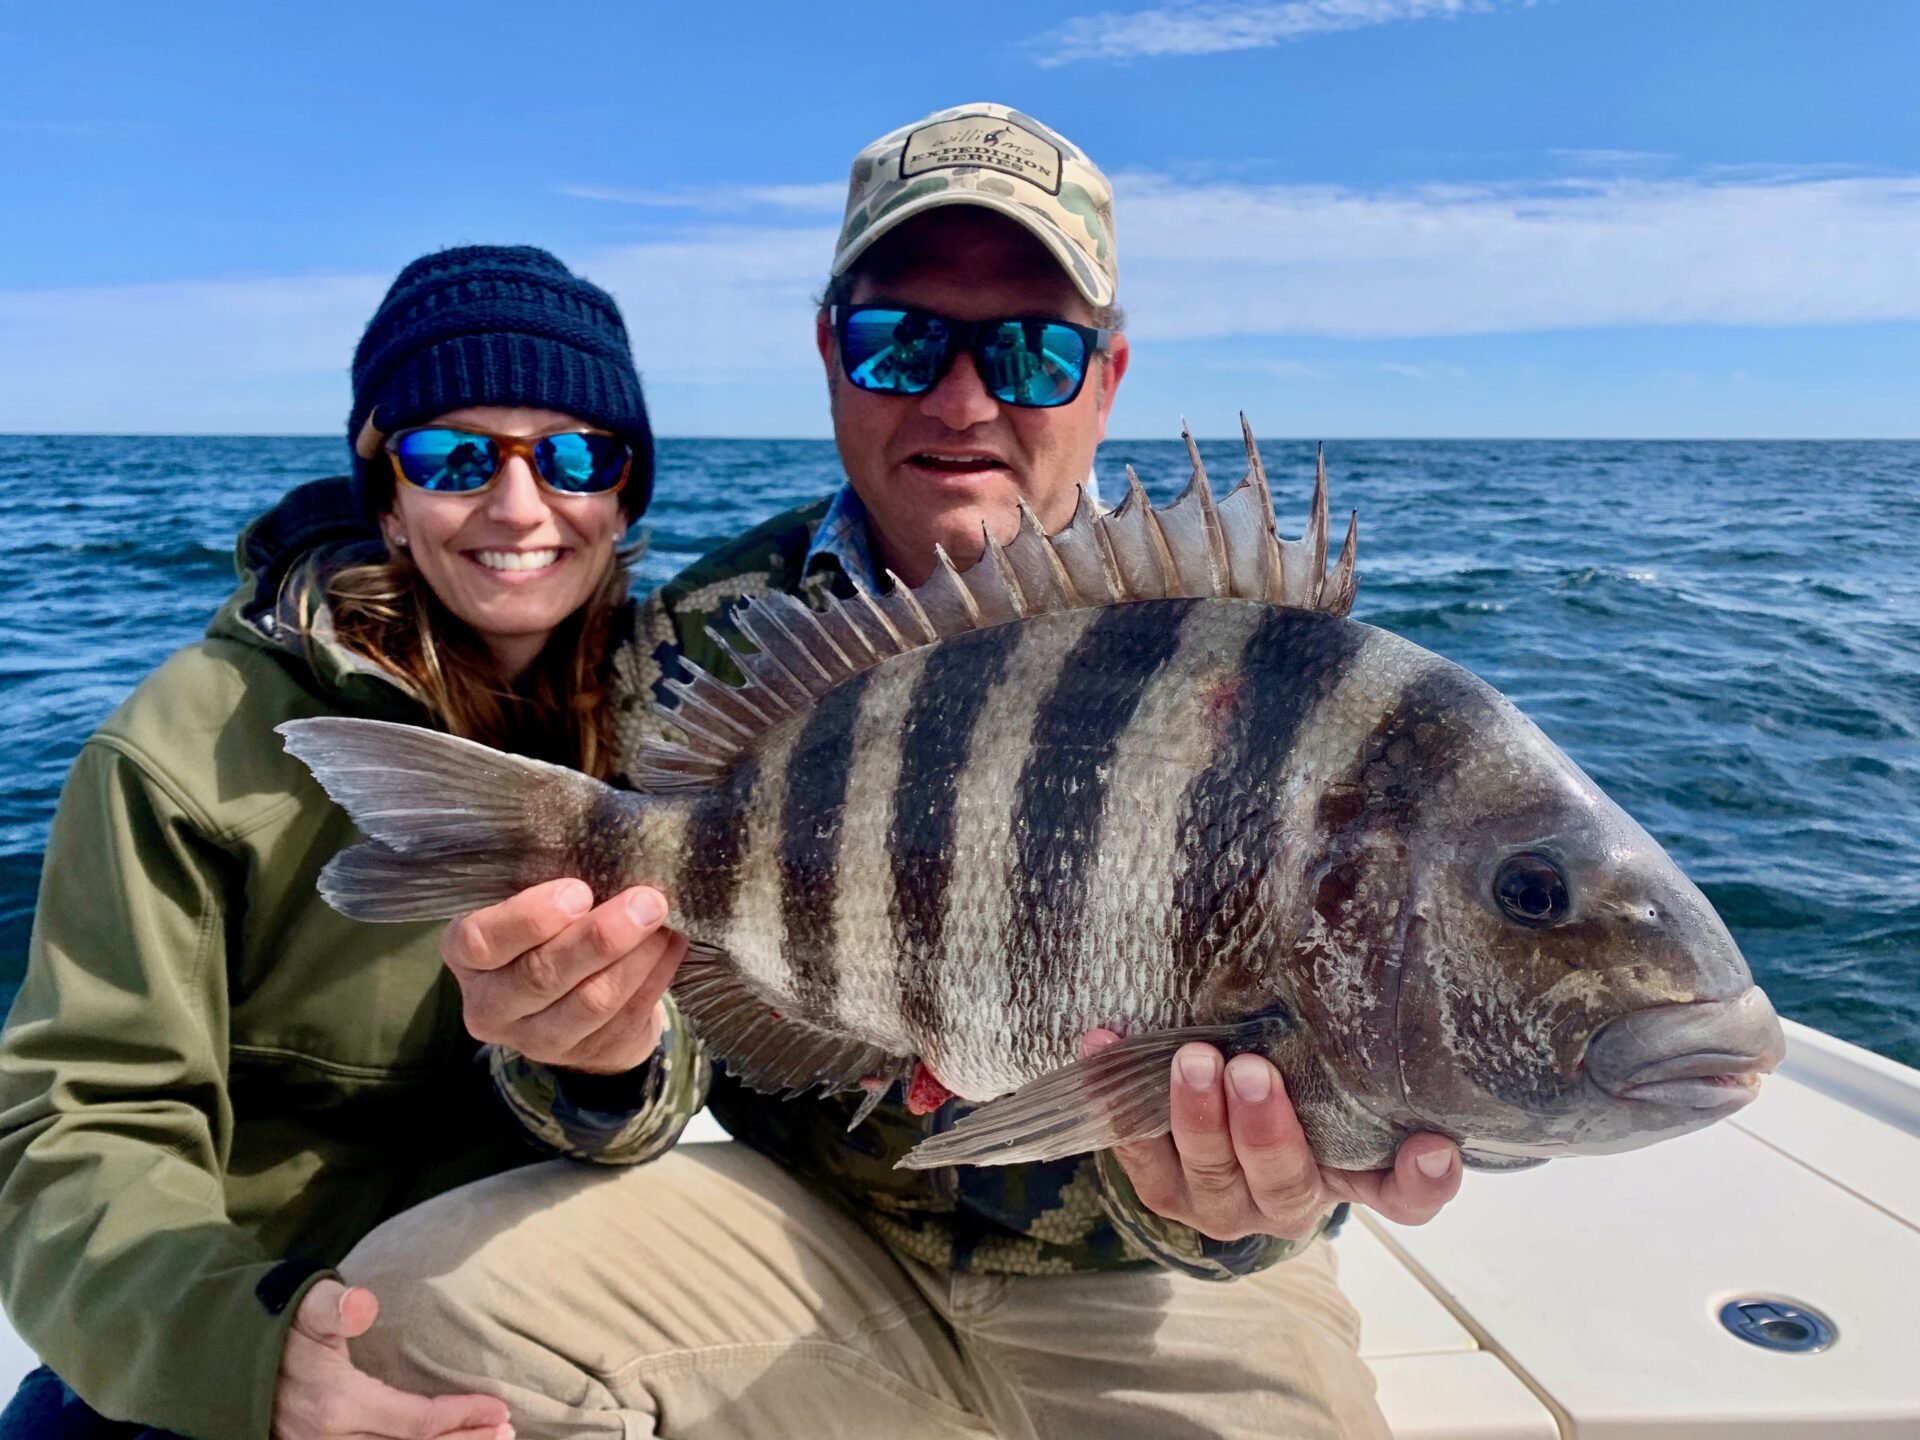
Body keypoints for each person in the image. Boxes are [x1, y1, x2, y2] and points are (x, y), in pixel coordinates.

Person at [341, 107, 1464, 1439]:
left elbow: (1294, 1107)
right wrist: (590, 1054)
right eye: (900, 341)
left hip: (1159, 1293)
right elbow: (656, 1084)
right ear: (830, 351)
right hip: (820, 1243)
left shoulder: (1261, 673)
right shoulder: (715, 634)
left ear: (1104, 379)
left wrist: (1236, 1205)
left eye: (1035, 352)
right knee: (397, 1324)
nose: (962, 399)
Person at [0, 246, 690, 1440]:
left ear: (624, 494)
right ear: (387, 495)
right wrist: (248, 1359)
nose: (520, 506)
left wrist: (611, 1069)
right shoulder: (188, 741)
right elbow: (82, 1121)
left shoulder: (686, 731)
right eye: (455, 456)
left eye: (577, 455)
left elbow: (696, 1082)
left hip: (533, 1321)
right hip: (238, 1328)